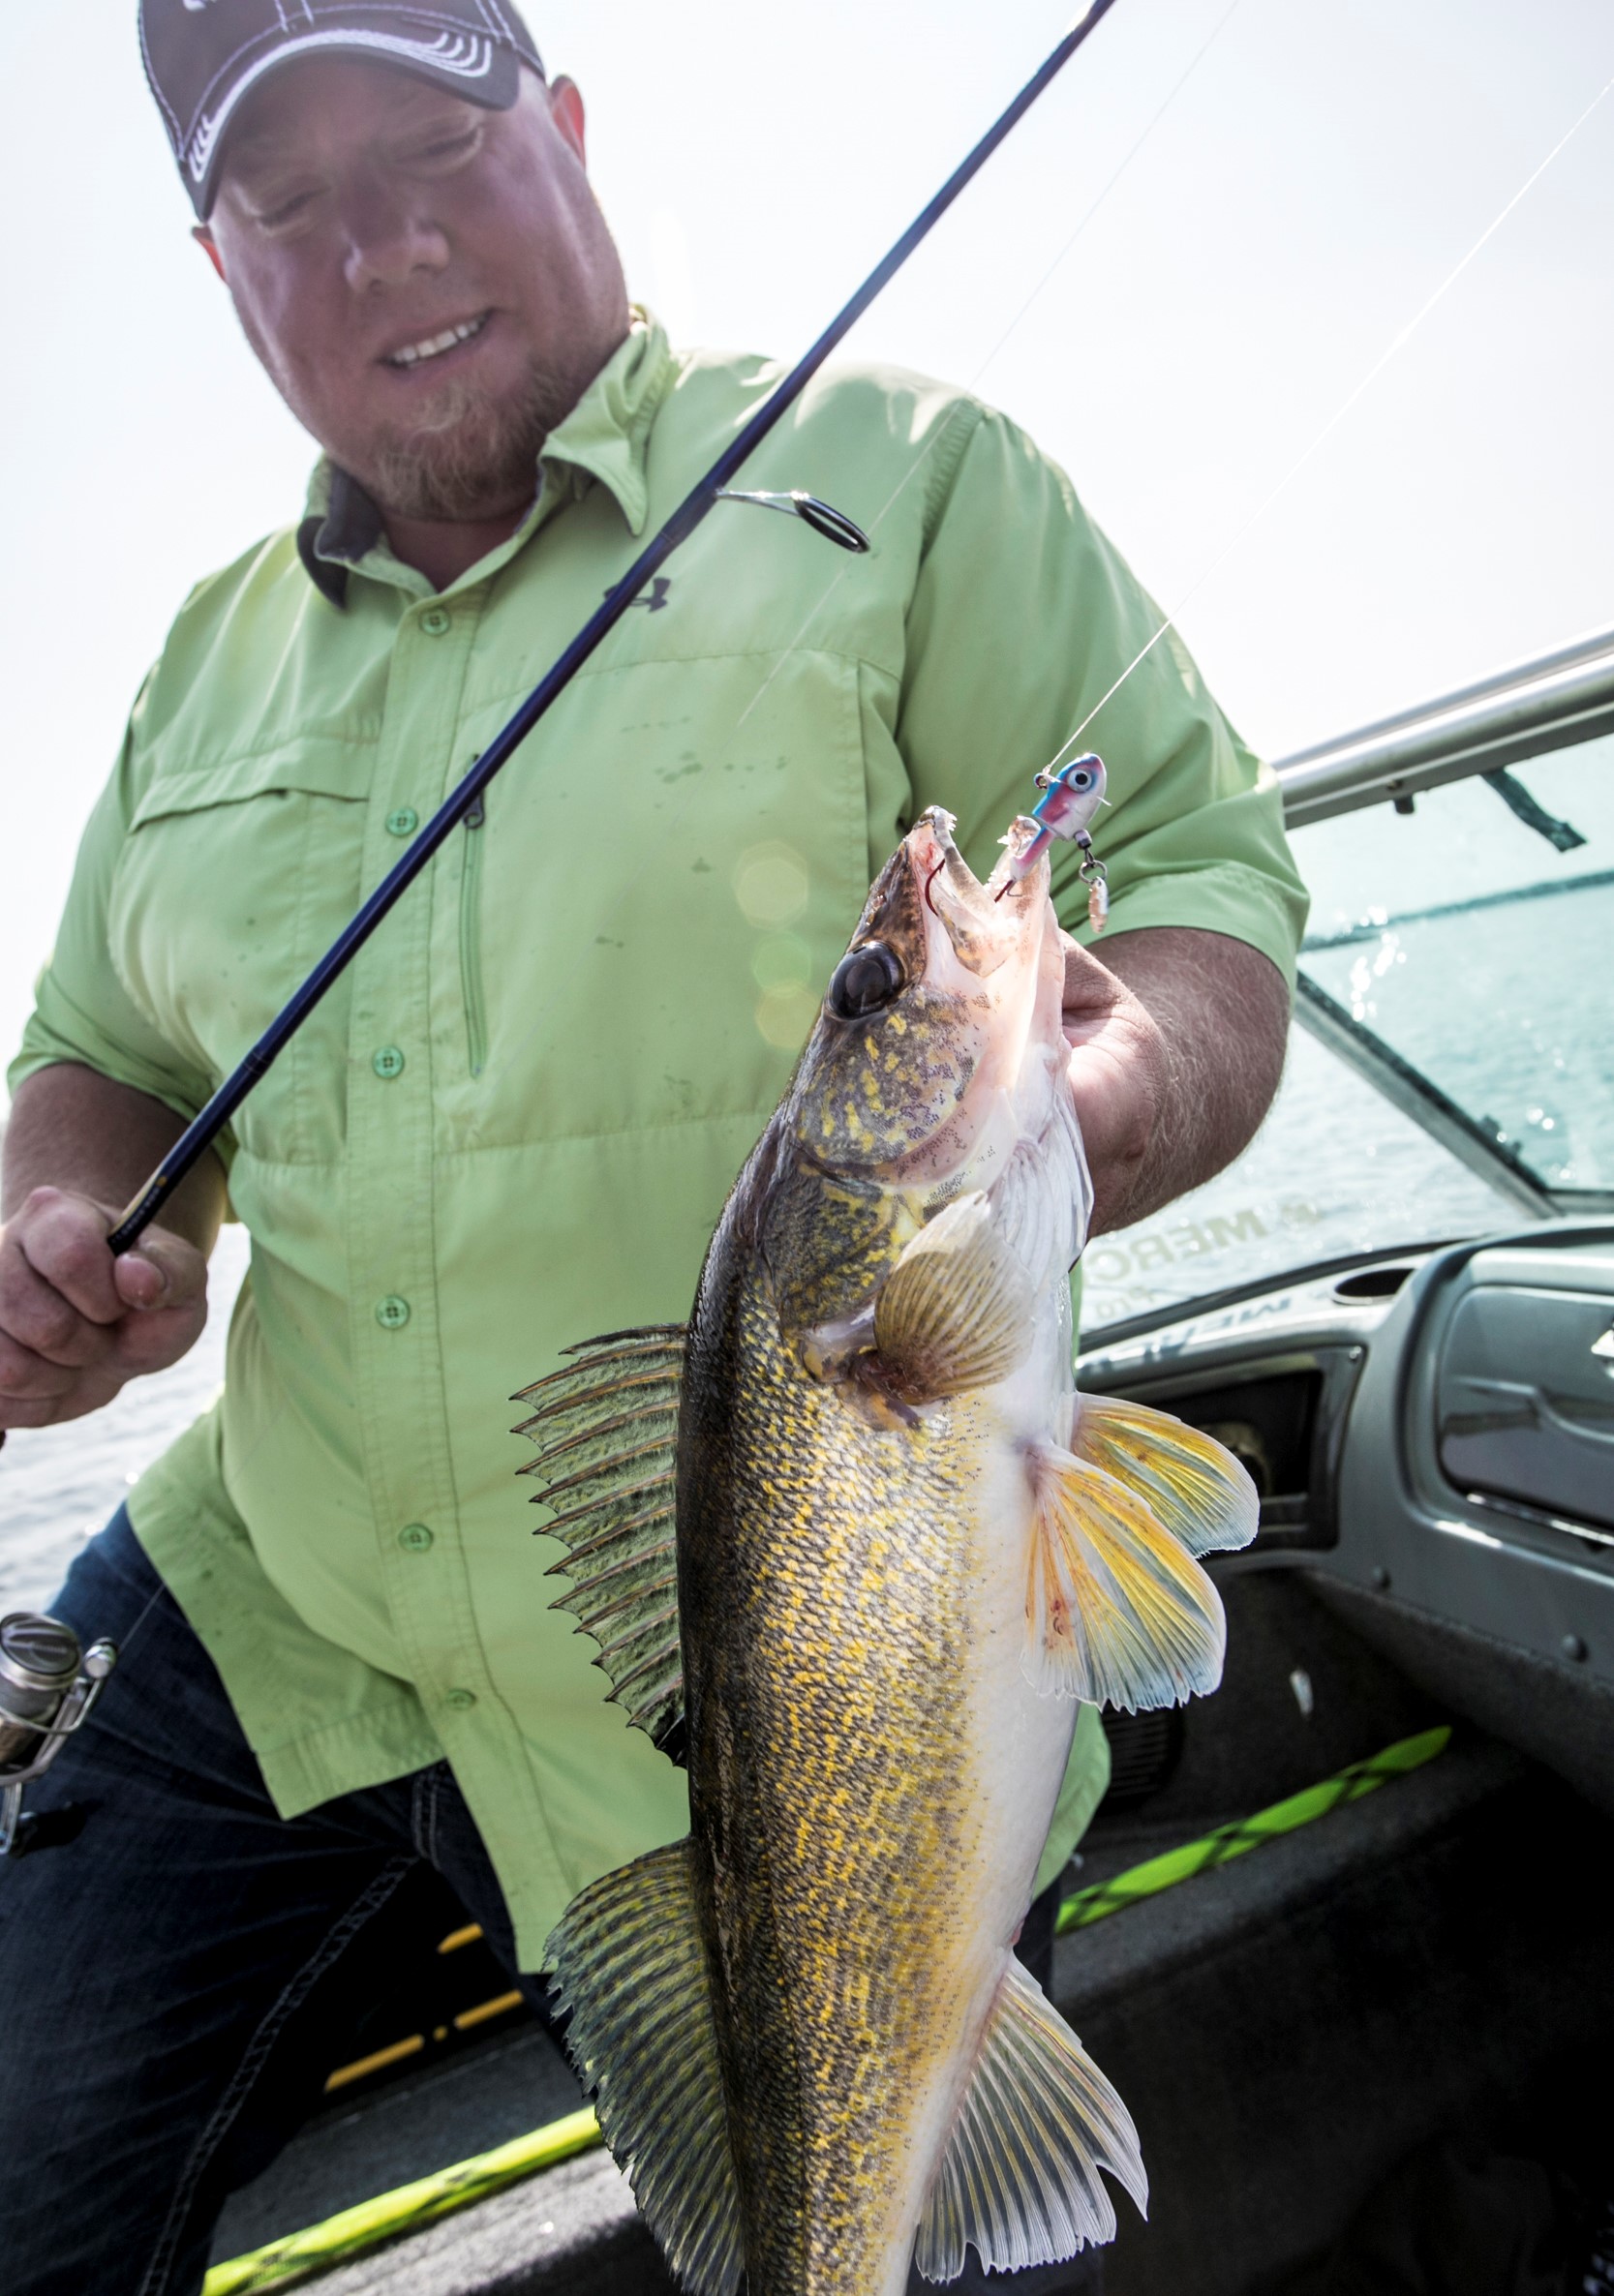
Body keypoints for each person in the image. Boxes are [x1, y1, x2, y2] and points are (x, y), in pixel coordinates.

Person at [0, 4, 1306, 2289]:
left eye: (434, 139)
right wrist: (53, 1222)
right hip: (275, 1600)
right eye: (287, 201)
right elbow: (96, 1047)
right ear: (215, 268)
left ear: (574, 132)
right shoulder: (194, 669)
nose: (384, 239)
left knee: (881, 2179)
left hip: (747, 1678)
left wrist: (1068, 1126)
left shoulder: (908, 476)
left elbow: (1209, 907)